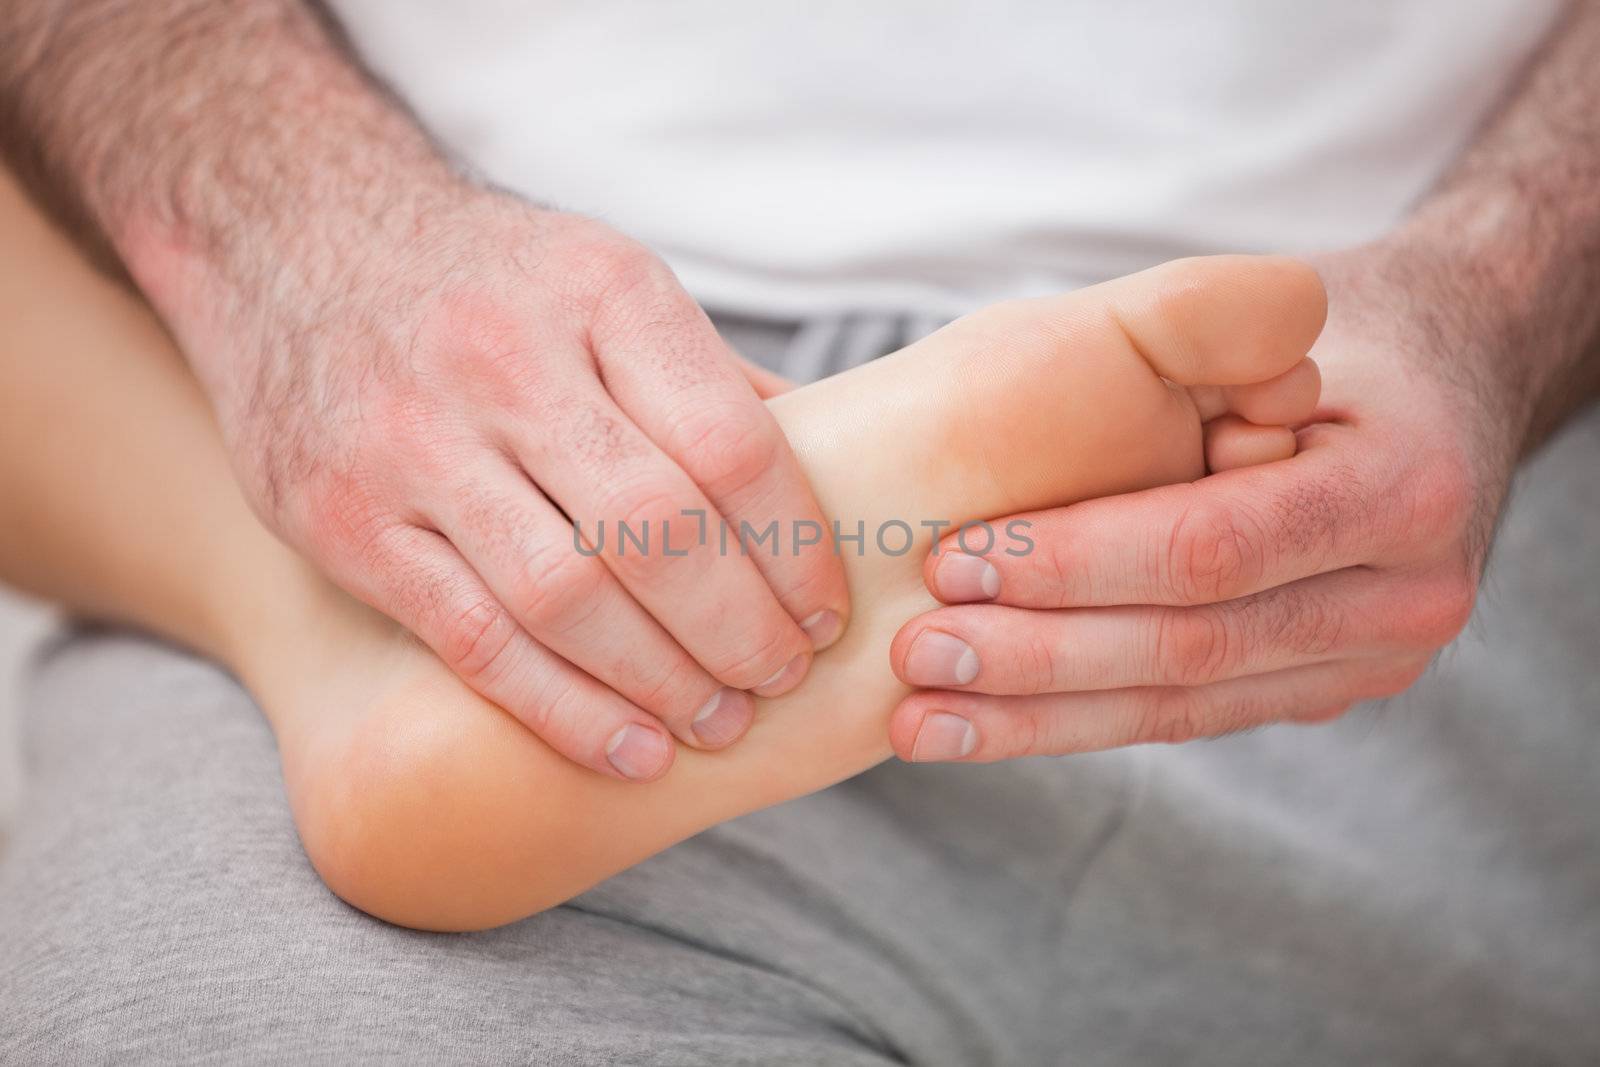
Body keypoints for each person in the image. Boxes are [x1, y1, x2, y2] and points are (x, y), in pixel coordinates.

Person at [2, 2, 1598, 1062]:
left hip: (1415, 447)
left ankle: (314, 624)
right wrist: (296, 236)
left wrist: (1504, 293)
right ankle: (763, 527)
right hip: (400, 363)